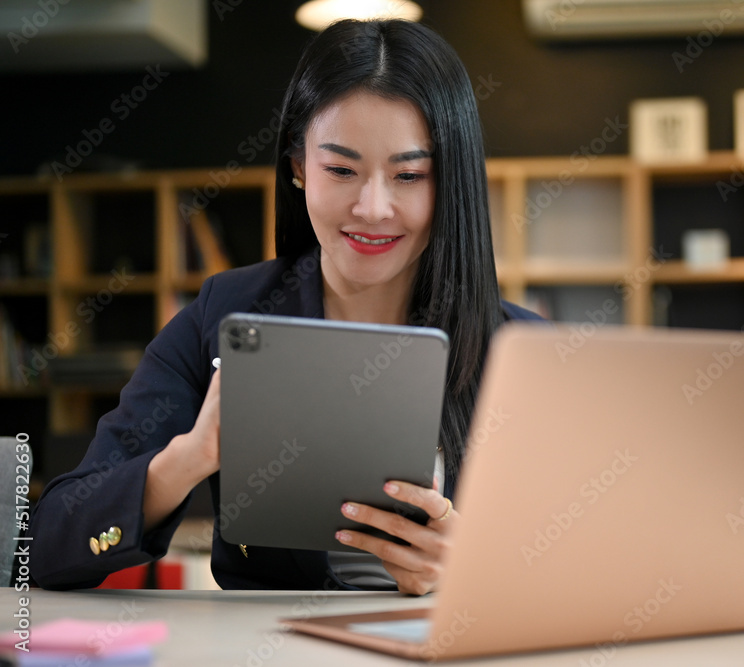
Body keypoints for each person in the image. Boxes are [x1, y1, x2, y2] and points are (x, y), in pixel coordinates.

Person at [28, 18, 542, 594]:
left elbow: (592, 571)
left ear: (450, 181)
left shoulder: (526, 353)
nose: (373, 208)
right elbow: (48, 545)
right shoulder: (225, 315)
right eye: (341, 170)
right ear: (298, 166)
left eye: (409, 174)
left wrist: (480, 572)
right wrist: (190, 456)